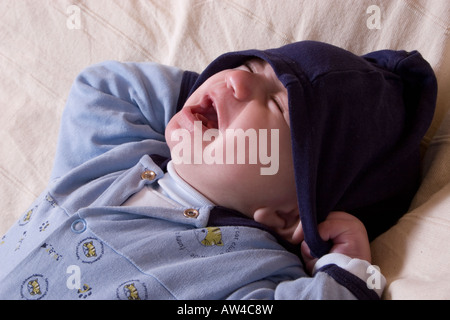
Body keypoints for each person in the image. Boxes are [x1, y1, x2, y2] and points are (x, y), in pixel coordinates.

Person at [0, 41, 436, 300]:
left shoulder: (250, 270)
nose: (235, 81)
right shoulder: (117, 161)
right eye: (248, 68)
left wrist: (346, 267)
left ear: (289, 214)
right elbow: (102, 87)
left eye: (278, 107)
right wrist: (199, 109)